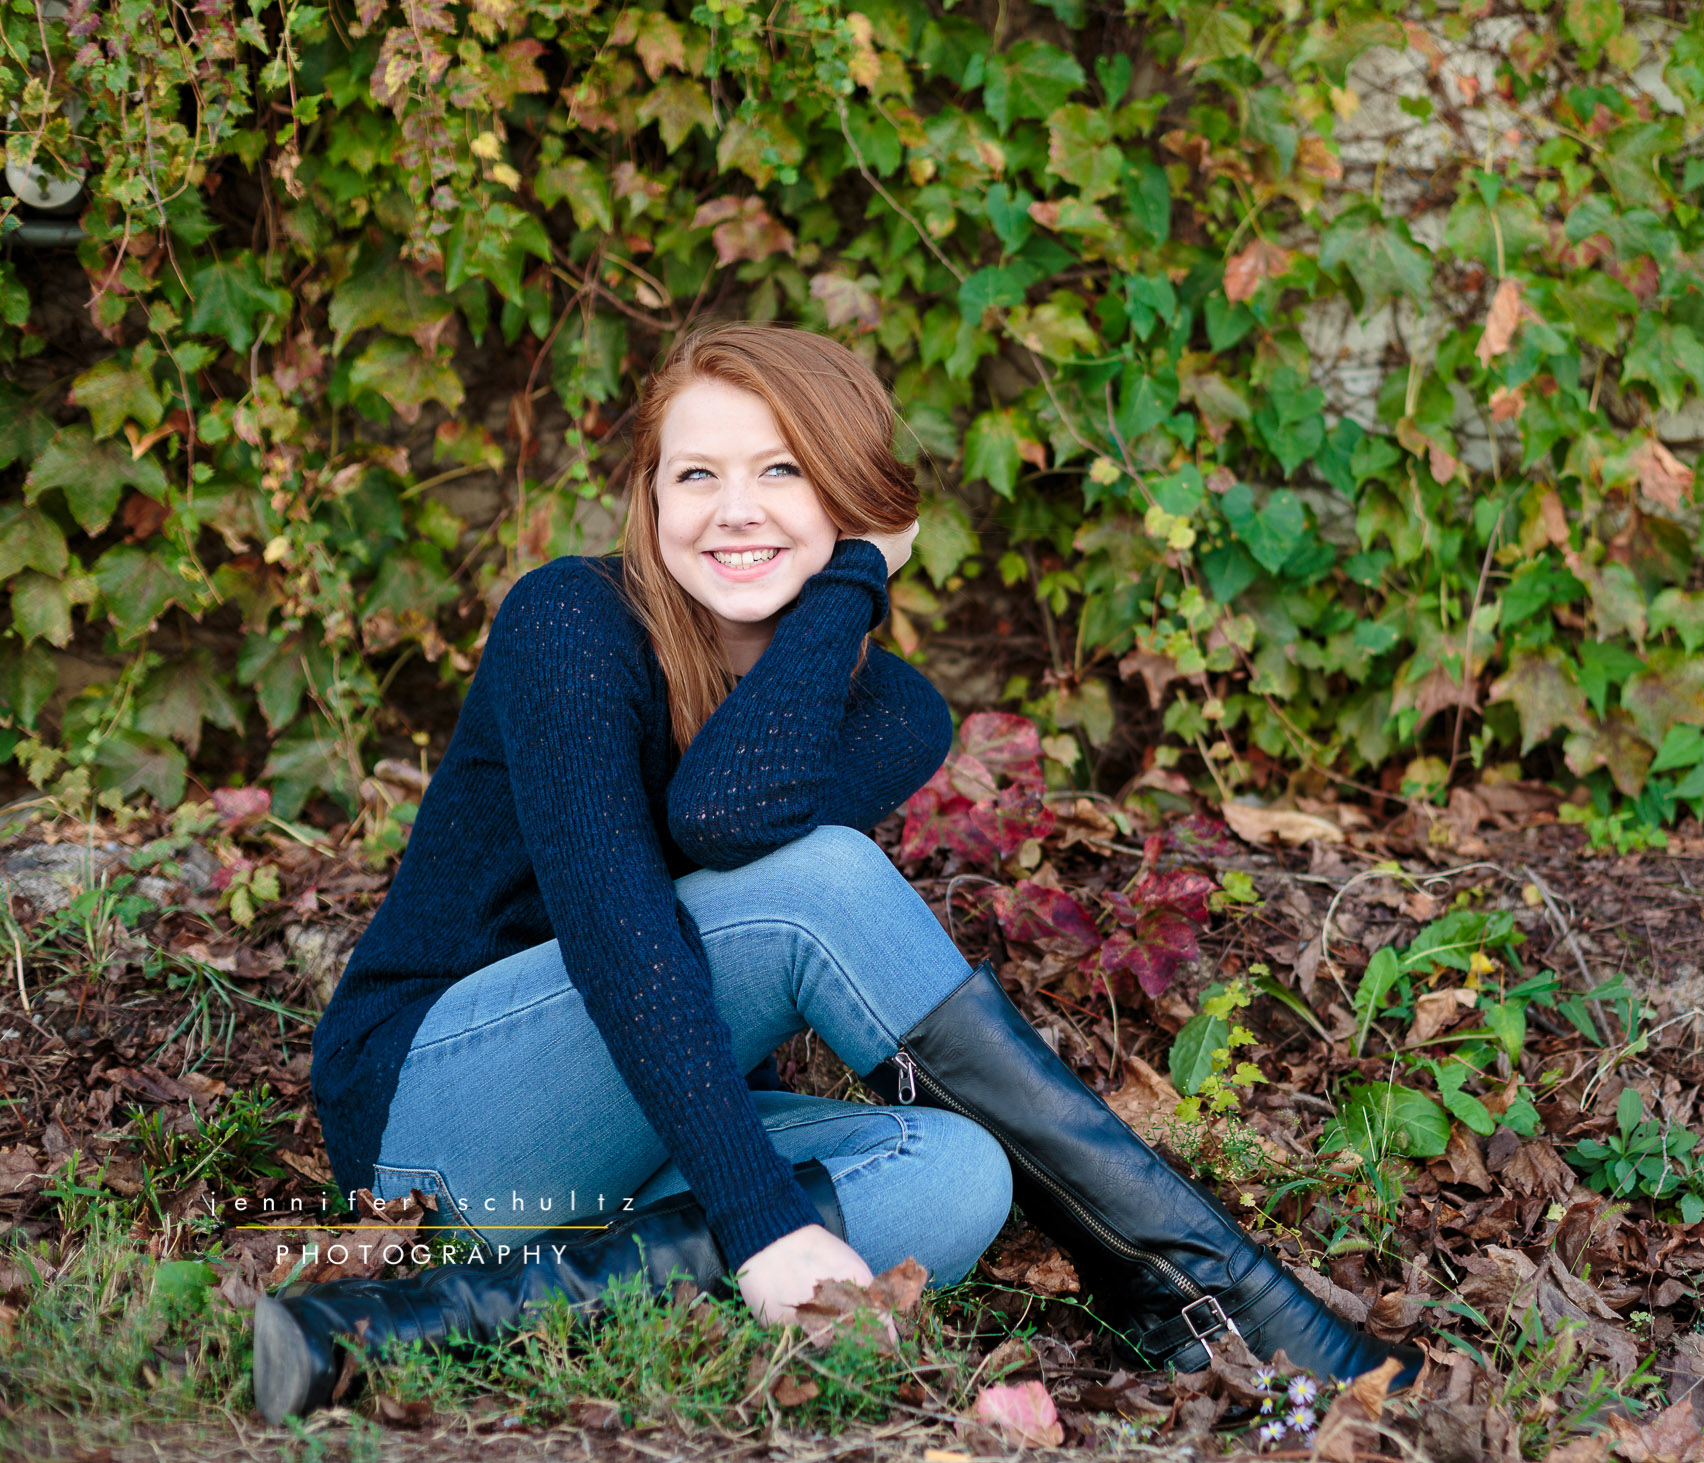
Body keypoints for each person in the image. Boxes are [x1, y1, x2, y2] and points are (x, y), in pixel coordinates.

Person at [256, 323, 1414, 1422]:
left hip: (641, 1129)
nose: (733, 511)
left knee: (959, 1173)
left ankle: (406, 1322)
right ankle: (1217, 1292)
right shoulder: (571, 620)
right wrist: (761, 1215)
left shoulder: (894, 710)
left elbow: (727, 803)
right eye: (694, 476)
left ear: (854, 494)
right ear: (649, 498)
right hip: (440, 1115)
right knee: (824, 878)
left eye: (784, 472)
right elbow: (659, 889)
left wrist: (843, 583)